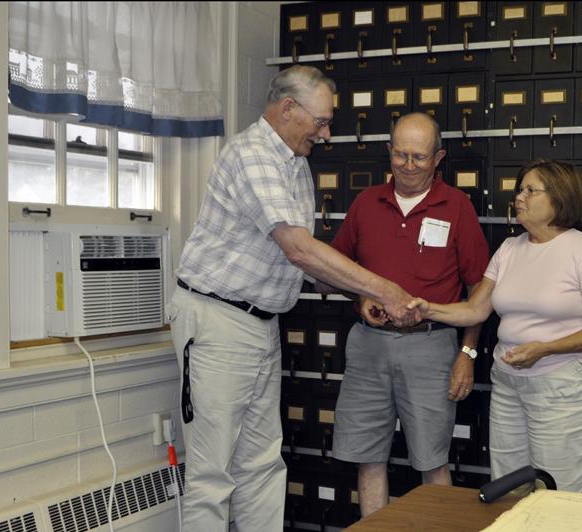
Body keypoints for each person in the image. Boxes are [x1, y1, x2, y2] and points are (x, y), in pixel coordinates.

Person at [167, 65, 419, 532]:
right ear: (287, 109)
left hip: (261, 326)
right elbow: (300, 247)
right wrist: (384, 288)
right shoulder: (254, 155)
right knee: (212, 475)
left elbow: (300, 260)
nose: (326, 134)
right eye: (321, 122)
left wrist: (354, 296)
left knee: (262, 466)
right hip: (219, 322)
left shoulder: (295, 165)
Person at [409, 159, 582, 493]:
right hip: (509, 382)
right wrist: (427, 309)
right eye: (519, 190)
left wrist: (546, 348)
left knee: (557, 492)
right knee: (508, 488)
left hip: (563, 385)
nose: (518, 197)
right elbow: (476, 309)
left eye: (530, 191)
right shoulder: (510, 248)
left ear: (560, 198)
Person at [327, 113, 490, 517]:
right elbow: (330, 272)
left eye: (418, 156)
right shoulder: (367, 203)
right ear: (389, 151)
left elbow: (481, 292)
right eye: (400, 155)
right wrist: (359, 298)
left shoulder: (457, 207)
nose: (408, 165)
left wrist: (466, 356)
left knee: (432, 461)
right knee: (368, 458)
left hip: (431, 347)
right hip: (368, 346)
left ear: (439, 157)